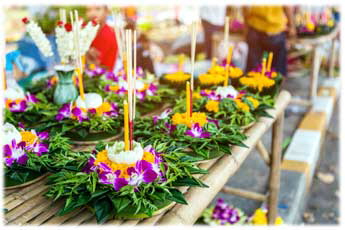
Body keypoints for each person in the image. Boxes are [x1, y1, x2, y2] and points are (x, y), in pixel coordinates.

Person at [242, 6, 296, 76]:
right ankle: (275, 85)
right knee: (277, 72)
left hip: (255, 27)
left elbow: (245, 8)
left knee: (254, 69)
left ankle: (253, 86)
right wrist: (292, 26)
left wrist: (246, 26)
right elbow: (287, 6)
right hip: (275, 30)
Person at [86, 5, 118, 71]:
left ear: (107, 12)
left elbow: (94, 65)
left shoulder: (107, 33)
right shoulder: (89, 30)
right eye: (89, 10)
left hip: (101, 77)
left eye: (97, 9)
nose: (93, 13)